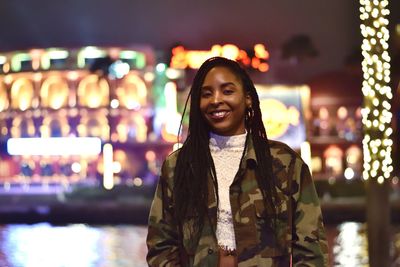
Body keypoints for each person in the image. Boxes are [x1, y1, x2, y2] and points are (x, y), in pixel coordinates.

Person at [146, 56, 328, 266]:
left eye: (227, 91)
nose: (216, 100)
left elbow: (311, 250)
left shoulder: (284, 163)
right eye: (206, 94)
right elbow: (161, 245)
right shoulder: (179, 166)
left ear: (248, 98)